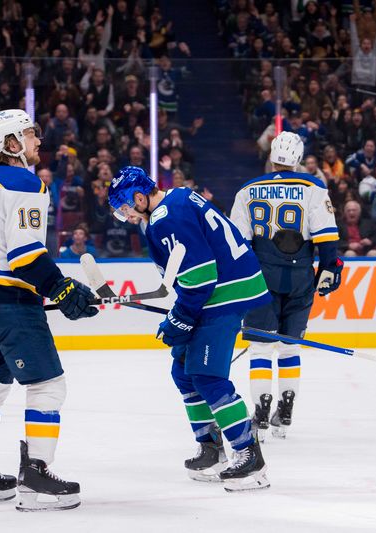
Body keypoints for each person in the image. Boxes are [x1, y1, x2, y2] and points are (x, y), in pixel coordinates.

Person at [0, 109, 99, 510]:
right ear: (11, 144)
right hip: (8, 301)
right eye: (30, 134)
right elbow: (25, 255)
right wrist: (61, 287)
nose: (38, 141)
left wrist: (57, 286)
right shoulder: (24, 182)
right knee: (48, 385)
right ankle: (35, 478)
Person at [108, 166, 271, 492]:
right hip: (217, 292)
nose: (124, 215)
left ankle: (249, 455)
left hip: (223, 295)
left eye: (125, 207)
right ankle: (211, 449)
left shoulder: (167, 217)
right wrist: (181, 315)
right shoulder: (175, 200)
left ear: (140, 197)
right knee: (183, 372)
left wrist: (180, 318)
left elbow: (200, 278)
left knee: (208, 377)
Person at [229, 131, 343, 440]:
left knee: (261, 347)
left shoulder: (248, 190)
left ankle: (262, 414)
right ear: (299, 159)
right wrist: (330, 270)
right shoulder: (314, 187)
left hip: (261, 277)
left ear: (271, 157)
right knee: (290, 346)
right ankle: (286, 408)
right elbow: (327, 238)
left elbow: (238, 243)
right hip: (301, 276)